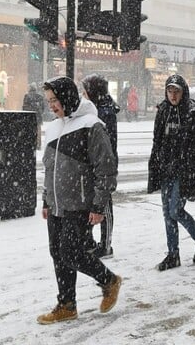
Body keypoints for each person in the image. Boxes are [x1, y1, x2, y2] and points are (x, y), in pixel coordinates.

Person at [37, 76, 121, 325]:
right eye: (49, 101)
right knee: (57, 253)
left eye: (55, 100)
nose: (51, 105)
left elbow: (105, 169)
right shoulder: (54, 127)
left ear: (68, 98)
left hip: (81, 204)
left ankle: (109, 281)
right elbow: (49, 168)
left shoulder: (92, 125)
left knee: (70, 252)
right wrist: (46, 199)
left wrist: (98, 205)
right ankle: (66, 304)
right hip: (57, 205)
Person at [147, 74, 195, 271]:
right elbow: (157, 140)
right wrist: (156, 164)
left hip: (183, 170)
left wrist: (190, 163)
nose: (173, 95)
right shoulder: (163, 111)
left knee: (175, 210)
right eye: (170, 91)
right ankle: (173, 254)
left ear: (183, 92)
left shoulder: (193, 112)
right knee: (168, 213)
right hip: (165, 167)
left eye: (176, 91)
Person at [81, 74, 120, 258]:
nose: (83, 94)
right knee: (94, 202)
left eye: (86, 90)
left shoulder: (103, 112)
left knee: (104, 204)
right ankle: (92, 241)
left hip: (103, 163)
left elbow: (107, 144)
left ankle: (105, 246)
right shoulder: (99, 109)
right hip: (96, 162)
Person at [22, 82, 46, 150]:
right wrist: (39, 112)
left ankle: (31, 144)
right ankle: (38, 145)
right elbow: (43, 108)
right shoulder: (40, 96)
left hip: (29, 117)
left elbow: (24, 107)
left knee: (30, 130)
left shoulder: (27, 96)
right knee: (38, 131)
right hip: (38, 116)